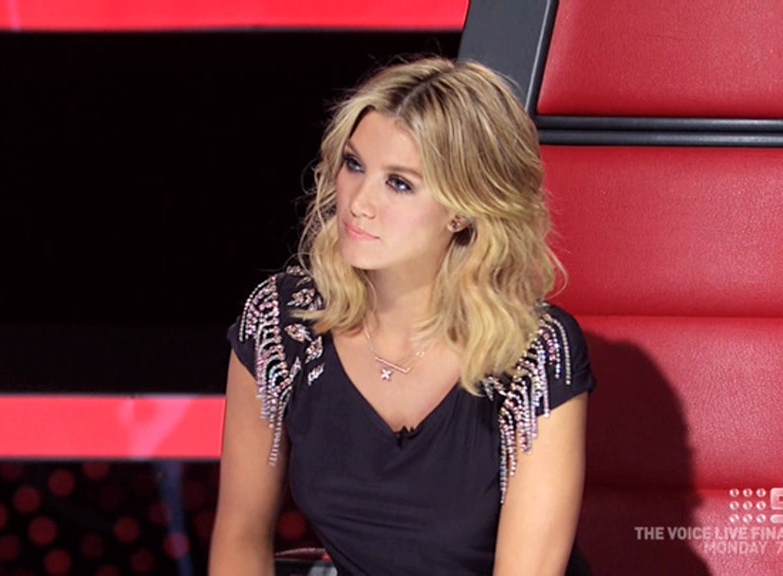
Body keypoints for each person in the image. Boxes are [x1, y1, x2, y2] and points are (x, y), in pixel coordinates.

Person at [210, 56, 596, 576]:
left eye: (399, 183)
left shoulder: (533, 351)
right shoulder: (283, 323)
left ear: (462, 209)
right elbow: (239, 535)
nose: (358, 203)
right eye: (355, 165)